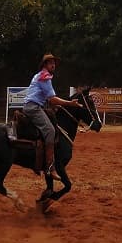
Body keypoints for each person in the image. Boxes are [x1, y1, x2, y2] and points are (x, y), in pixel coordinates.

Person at [23, 52, 80, 180]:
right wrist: (69, 103)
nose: (53, 64)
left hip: (34, 106)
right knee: (50, 130)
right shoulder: (45, 77)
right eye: (50, 62)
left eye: (54, 62)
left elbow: (48, 99)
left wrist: (54, 104)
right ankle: (50, 167)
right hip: (34, 108)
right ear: (45, 64)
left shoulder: (39, 75)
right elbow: (52, 99)